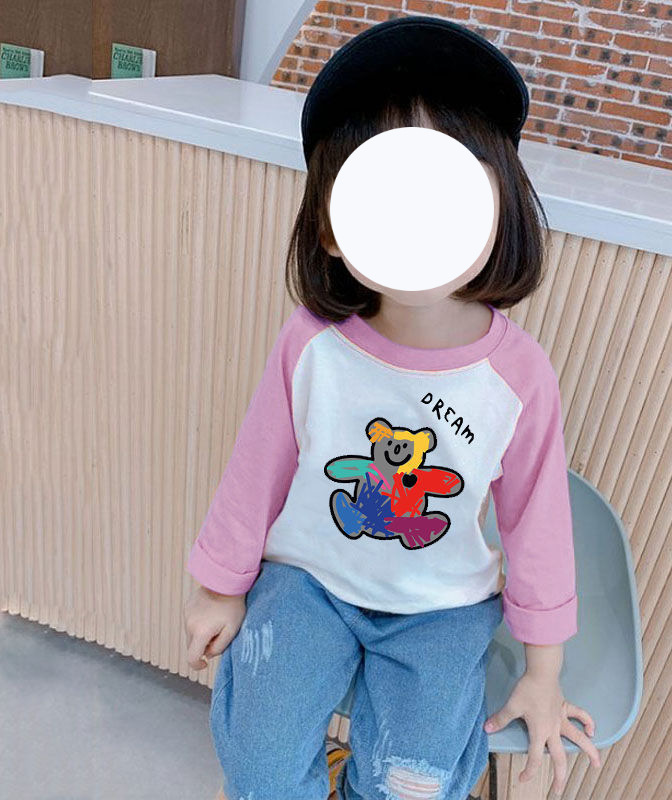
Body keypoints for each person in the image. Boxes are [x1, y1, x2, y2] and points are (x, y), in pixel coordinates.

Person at [183, 15, 601, 800]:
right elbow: (257, 469)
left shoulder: (518, 376)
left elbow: (537, 526)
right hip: (307, 585)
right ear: (331, 228)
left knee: (414, 784)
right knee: (260, 770)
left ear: (499, 206)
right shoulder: (311, 344)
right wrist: (220, 585)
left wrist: (543, 673)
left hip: (442, 609)